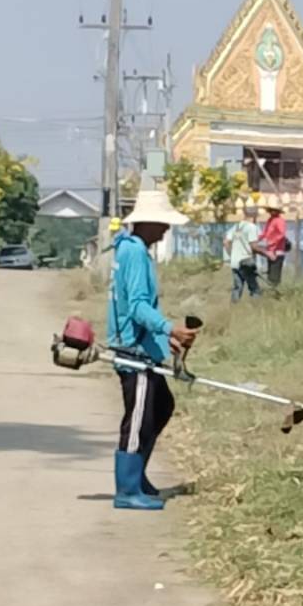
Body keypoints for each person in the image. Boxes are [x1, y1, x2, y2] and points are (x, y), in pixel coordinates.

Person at [106, 189, 197, 511]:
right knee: (139, 418)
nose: (166, 229)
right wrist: (169, 328)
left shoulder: (134, 250)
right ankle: (127, 489)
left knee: (161, 407)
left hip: (143, 346)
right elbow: (138, 307)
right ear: (146, 223)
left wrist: (164, 340)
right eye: (162, 223)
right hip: (133, 352)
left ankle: (138, 475)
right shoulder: (133, 252)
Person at [224, 207, 261, 302]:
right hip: (246, 262)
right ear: (254, 216)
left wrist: (231, 255)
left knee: (237, 287)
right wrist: (266, 253)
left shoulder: (236, 227)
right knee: (254, 288)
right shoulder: (252, 227)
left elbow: (225, 242)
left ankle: (234, 310)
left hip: (235, 262)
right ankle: (256, 309)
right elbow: (254, 246)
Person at [255, 201, 288, 293]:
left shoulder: (280, 221)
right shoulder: (270, 220)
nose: (271, 212)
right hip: (270, 250)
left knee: (275, 274)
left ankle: (276, 293)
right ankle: (272, 292)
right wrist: (255, 240)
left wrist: (273, 243)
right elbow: (265, 233)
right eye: (270, 210)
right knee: (270, 273)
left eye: (273, 210)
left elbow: (281, 234)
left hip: (277, 250)